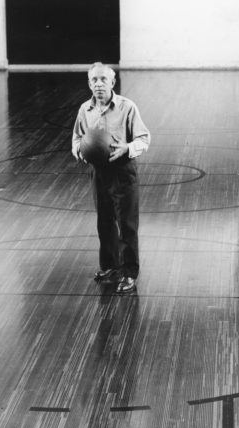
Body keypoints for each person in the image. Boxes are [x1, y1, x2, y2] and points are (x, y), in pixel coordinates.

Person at [71, 62, 150, 293]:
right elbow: (76, 139)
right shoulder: (85, 110)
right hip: (98, 172)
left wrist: (127, 148)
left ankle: (129, 273)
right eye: (94, 80)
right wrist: (81, 151)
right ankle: (111, 267)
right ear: (89, 84)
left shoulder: (127, 107)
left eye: (103, 80)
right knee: (104, 222)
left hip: (123, 172)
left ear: (112, 82)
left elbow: (144, 139)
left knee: (126, 225)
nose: (98, 84)